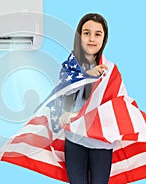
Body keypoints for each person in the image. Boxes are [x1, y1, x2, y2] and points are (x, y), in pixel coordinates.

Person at [60, 13, 111, 184]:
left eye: (98, 34)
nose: (91, 38)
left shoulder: (110, 70)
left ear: (104, 39)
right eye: (86, 33)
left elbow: (118, 100)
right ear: (79, 36)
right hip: (75, 138)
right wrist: (86, 75)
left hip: (101, 141)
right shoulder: (69, 67)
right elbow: (63, 91)